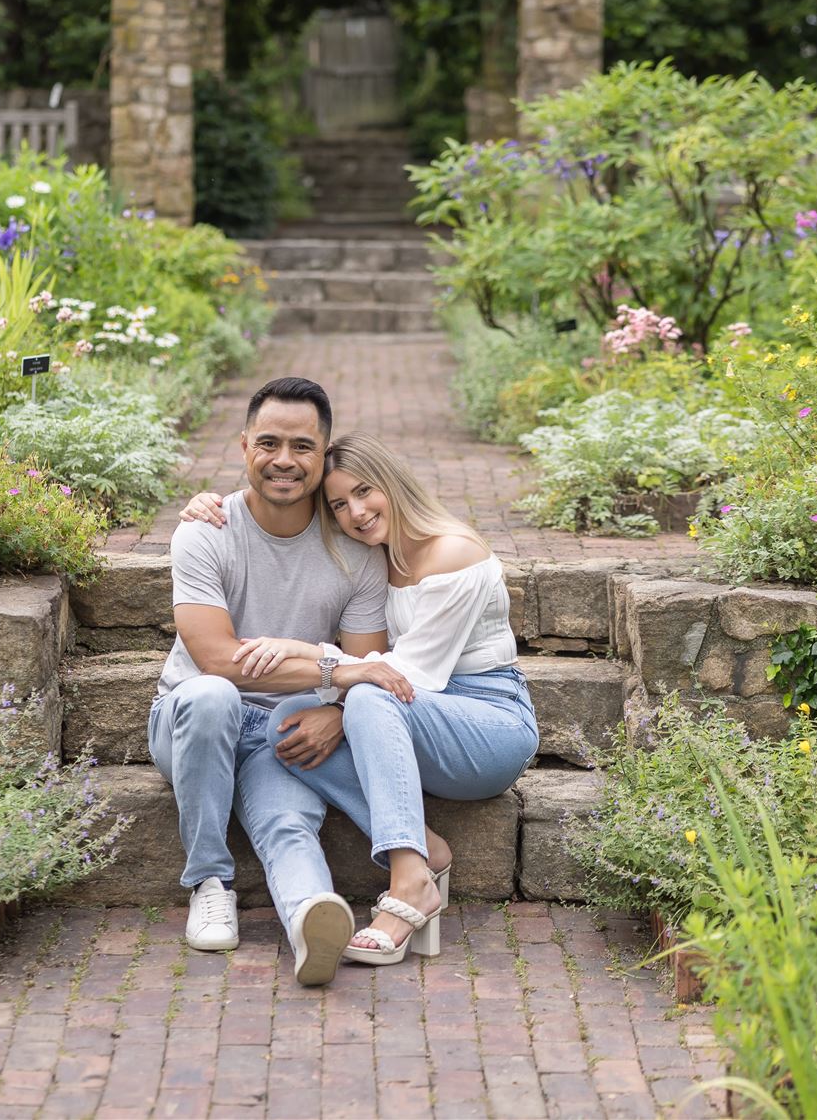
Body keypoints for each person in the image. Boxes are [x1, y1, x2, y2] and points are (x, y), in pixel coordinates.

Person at [180, 432, 539, 966]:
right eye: (340, 505)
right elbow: (277, 495)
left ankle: (409, 878)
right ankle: (423, 845)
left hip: (489, 724)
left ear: (394, 483)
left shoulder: (454, 552)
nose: (357, 513)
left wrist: (307, 655)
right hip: (417, 715)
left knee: (368, 697)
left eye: (366, 492)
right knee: (286, 720)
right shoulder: (379, 557)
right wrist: (212, 504)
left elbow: (413, 675)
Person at [150, 377, 414, 987]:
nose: (284, 461)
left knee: (288, 826)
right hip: (192, 721)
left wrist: (339, 709)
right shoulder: (205, 531)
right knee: (215, 697)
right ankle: (209, 882)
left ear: (323, 457)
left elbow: (366, 668)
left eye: (303, 447)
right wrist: (336, 676)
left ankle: (311, 924)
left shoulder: (356, 555)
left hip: (287, 728)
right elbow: (216, 659)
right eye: (269, 443)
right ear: (244, 446)